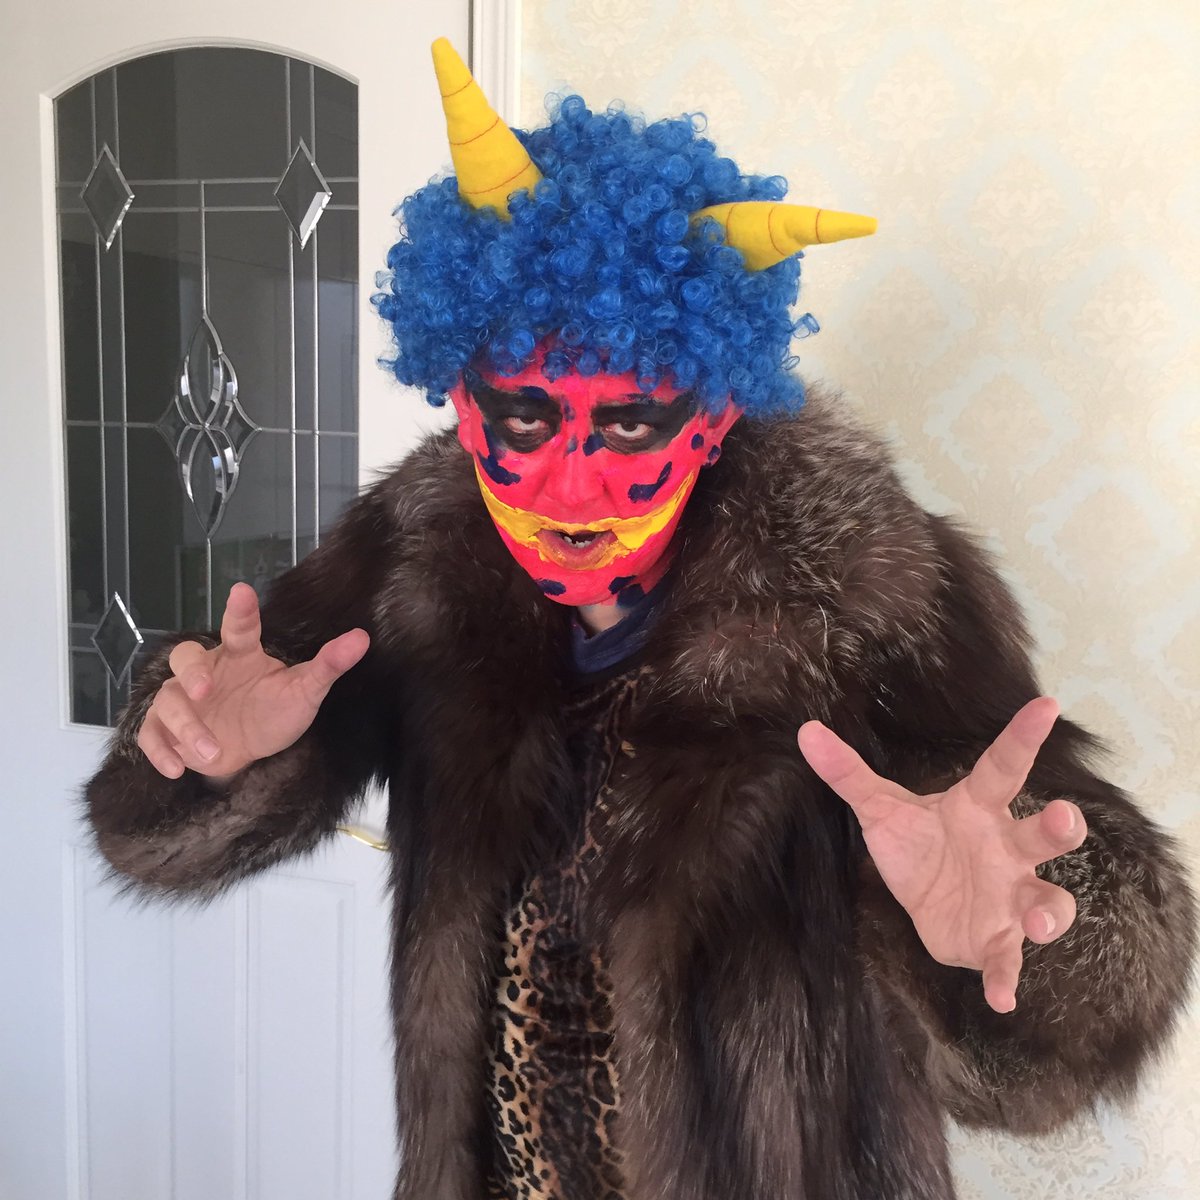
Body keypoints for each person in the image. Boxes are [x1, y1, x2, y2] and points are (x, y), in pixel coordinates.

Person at [83, 39, 1195, 1200]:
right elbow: (164, 814)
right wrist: (202, 761)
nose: (570, 490)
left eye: (627, 424)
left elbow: (1086, 937)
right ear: (461, 398)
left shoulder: (865, 582)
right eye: (524, 418)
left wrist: (1021, 938)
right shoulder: (411, 554)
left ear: (710, 417)